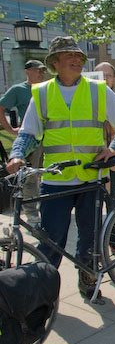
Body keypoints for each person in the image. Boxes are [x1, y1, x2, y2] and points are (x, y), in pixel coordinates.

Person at [5, 36, 115, 300]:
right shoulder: (41, 93)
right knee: (51, 240)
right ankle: (42, 294)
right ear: (55, 63)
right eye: (69, 56)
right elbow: (29, 133)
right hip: (56, 180)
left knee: (89, 237)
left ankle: (88, 282)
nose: (76, 60)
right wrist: (17, 155)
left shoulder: (98, 89)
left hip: (91, 178)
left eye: (78, 56)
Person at [0, 59, 47, 223]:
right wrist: (10, 130)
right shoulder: (18, 90)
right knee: (30, 177)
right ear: (27, 71)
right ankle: (32, 213)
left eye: (42, 71)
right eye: (37, 70)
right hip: (31, 140)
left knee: (46, 175)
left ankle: (45, 208)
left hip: (49, 140)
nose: (41, 74)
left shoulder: (46, 89)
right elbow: (1, 107)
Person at [95, 62, 115, 255]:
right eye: (100, 75)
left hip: (113, 161)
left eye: (109, 75)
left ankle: (113, 241)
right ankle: (96, 243)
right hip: (93, 162)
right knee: (93, 204)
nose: (105, 79)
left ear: (114, 79)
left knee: (112, 201)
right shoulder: (88, 101)